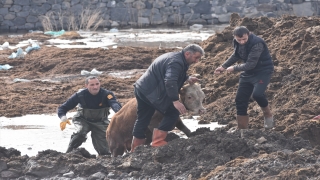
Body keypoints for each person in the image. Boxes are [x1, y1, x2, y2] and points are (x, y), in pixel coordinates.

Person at [130, 44, 205, 152]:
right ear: (187, 53)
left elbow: (171, 73)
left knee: (143, 118)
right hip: (153, 92)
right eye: (196, 57)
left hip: (141, 89)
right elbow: (170, 81)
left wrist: (187, 78)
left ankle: (135, 148)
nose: (197, 61)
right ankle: (157, 142)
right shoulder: (177, 62)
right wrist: (175, 101)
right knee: (173, 112)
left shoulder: (174, 57)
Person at [214, 26, 274, 130]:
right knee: (240, 99)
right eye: (239, 40)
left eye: (244, 39)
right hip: (247, 73)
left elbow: (251, 64)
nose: (241, 42)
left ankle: (268, 114)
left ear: (249, 34)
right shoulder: (236, 42)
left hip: (262, 71)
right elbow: (236, 55)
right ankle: (242, 129)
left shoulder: (257, 43)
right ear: (235, 37)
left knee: (257, 95)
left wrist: (234, 68)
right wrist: (223, 66)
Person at [57, 76, 122, 155]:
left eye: (97, 84)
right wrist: (63, 118)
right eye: (92, 85)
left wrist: (119, 113)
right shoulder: (80, 95)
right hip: (82, 120)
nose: (95, 87)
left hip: (101, 122)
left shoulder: (107, 94)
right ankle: (68, 154)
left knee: (105, 152)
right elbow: (63, 108)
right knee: (80, 133)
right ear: (86, 86)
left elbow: (114, 104)